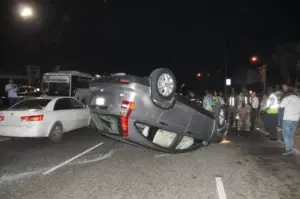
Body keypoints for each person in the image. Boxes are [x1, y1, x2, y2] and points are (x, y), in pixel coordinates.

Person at [279, 89, 300, 155]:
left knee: (286, 135)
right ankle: (290, 148)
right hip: (295, 120)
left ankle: (288, 149)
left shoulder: (287, 99)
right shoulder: (299, 99)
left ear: (288, 93)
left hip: (287, 119)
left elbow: (280, 107)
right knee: (291, 135)